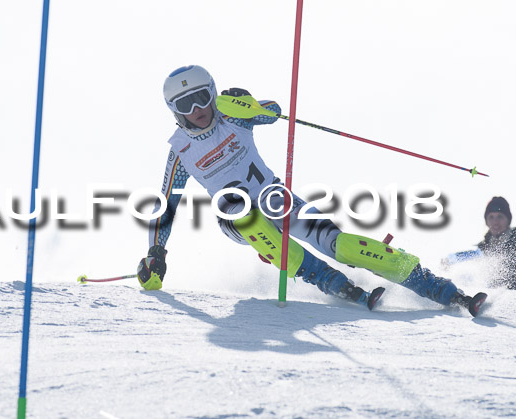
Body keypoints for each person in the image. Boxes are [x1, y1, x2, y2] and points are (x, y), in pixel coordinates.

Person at [137, 65, 486, 315]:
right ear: (174, 111)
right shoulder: (181, 151)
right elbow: (167, 205)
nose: (197, 110)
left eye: (201, 98)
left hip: (274, 196)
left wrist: (248, 103)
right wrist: (156, 252)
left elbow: (273, 114)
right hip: (236, 217)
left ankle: (439, 289)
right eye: (185, 105)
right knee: (240, 212)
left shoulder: (232, 116)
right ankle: (327, 280)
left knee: (342, 244)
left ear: (212, 94)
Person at [477, 197, 516, 291]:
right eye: (491, 217)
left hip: (514, 300)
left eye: (500, 217)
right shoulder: (482, 247)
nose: (495, 222)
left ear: (508, 220)